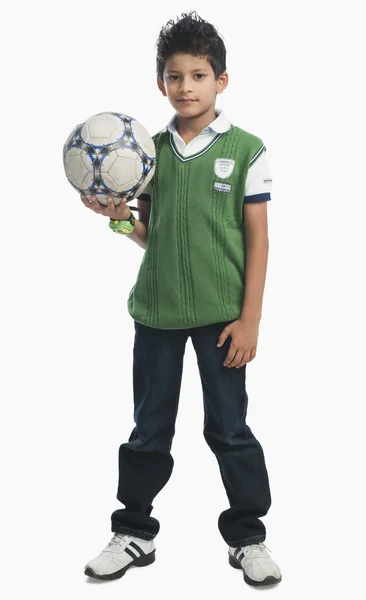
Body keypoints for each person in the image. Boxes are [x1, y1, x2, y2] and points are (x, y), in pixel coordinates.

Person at [81, 10, 282, 587]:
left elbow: (259, 239)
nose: (186, 87)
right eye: (175, 76)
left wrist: (250, 320)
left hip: (223, 320)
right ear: (161, 83)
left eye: (198, 75)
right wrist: (120, 221)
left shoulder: (246, 149)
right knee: (149, 428)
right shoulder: (145, 154)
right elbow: (152, 236)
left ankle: (248, 537)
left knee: (230, 428)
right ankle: (134, 533)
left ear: (221, 81)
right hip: (157, 315)